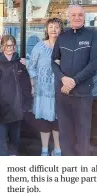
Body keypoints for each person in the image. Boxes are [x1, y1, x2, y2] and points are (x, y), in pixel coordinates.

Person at [51, 5, 97, 156]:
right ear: (69, 17)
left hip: (83, 94)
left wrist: (74, 81)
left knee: (83, 133)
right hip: (63, 93)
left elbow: (93, 64)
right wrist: (63, 78)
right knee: (65, 134)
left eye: (80, 15)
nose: (77, 18)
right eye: (73, 15)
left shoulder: (92, 36)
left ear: (84, 17)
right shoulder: (62, 37)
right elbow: (54, 61)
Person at [0, 35, 32, 156]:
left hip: (17, 111)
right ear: (2, 46)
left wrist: (26, 105)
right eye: (6, 45)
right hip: (1, 111)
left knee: (14, 145)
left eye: (11, 45)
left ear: (15, 46)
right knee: (0, 146)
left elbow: (27, 86)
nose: (9, 48)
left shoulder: (20, 64)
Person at [28, 18, 63, 156]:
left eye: (57, 27)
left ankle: (58, 150)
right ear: (46, 30)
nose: (54, 30)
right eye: (51, 27)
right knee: (44, 121)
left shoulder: (63, 47)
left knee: (57, 120)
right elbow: (31, 67)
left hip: (59, 90)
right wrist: (33, 84)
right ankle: (44, 150)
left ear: (61, 30)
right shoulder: (39, 47)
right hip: (42, 91)